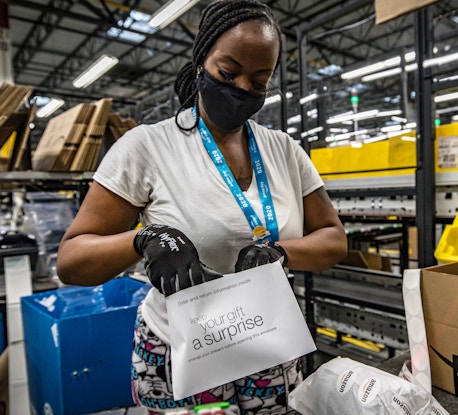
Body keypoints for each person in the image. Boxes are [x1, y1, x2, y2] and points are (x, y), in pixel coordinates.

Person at [56, 0, 348, 413]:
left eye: (260, 81)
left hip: (268, 341)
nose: (243, 89)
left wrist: (280, 253)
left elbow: (335, 239)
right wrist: (144, 240)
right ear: (200, 64)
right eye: (228, 74)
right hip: (182, 350)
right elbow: (70, 261)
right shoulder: (148, 147)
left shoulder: (284, 150)